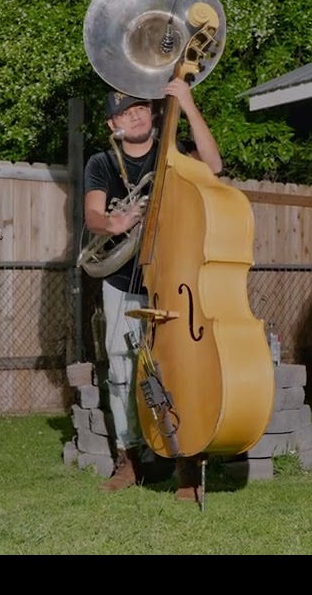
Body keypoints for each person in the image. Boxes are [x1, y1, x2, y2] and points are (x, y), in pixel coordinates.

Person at [83, 79, 222, 502]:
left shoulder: (172, 154)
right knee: (122, 368)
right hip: (122, 279)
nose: (136, 115)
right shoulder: (103, 162)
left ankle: (185, 464)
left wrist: (187, 103)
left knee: (177, 365)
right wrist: (114, 224)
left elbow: (214, 165)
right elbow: (92, 215)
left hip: (174, 277)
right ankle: (131, 459)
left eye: (141, 108)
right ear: (114, 124)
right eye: (125, 113)